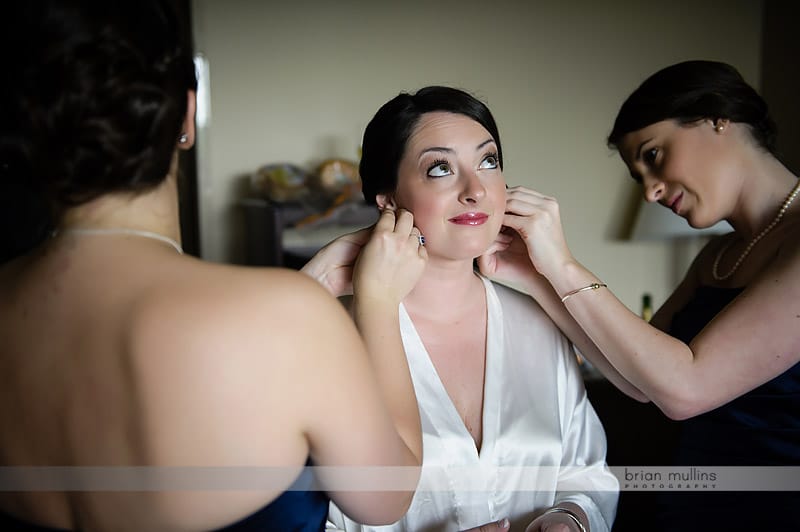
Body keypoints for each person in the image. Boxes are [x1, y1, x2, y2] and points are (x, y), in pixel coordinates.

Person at [0, 2, 427, 531]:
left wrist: (299, 295)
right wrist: (378, 306)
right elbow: (388, 497)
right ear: (186, 116)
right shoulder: (293, 318)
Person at [477, 60, 800, 531]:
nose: (649, 192)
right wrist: (532, 276)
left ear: (716, 118)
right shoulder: (717, 256)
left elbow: (686, 390)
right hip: (693, 502)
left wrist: (564, 265)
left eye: (652, 156)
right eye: (638, 175)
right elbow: (636, 381)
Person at [302, 86, 618, 532]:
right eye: (440, 168)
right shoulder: (328, 338)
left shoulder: (539, 323)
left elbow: (586, 475)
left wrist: (571, 518)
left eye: (488, 162)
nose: (476, 190)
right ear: (388, 199)